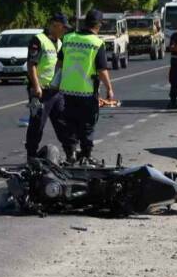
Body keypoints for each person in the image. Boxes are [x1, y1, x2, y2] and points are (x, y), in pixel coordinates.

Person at [56, 9, 115, 164]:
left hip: (67, 92)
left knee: (70, 125)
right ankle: (86, 156)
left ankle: (71, 155)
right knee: (87, 125)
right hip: (87, 93)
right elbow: (102, 70)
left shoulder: (68, 38)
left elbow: (59, 64)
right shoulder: (97, 43)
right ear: (99, 25)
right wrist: (109, 88)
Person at [25, 13, 71, 162]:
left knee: (63, 123)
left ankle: (71, 153)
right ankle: (31, 156)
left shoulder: (59, 42)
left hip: (56, 91)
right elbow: (32, 65)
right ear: (55, 24)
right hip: (41, 92)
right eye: (63, 27)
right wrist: (36, 86)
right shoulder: (39, 40)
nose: (64, 30)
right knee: (37, 124)